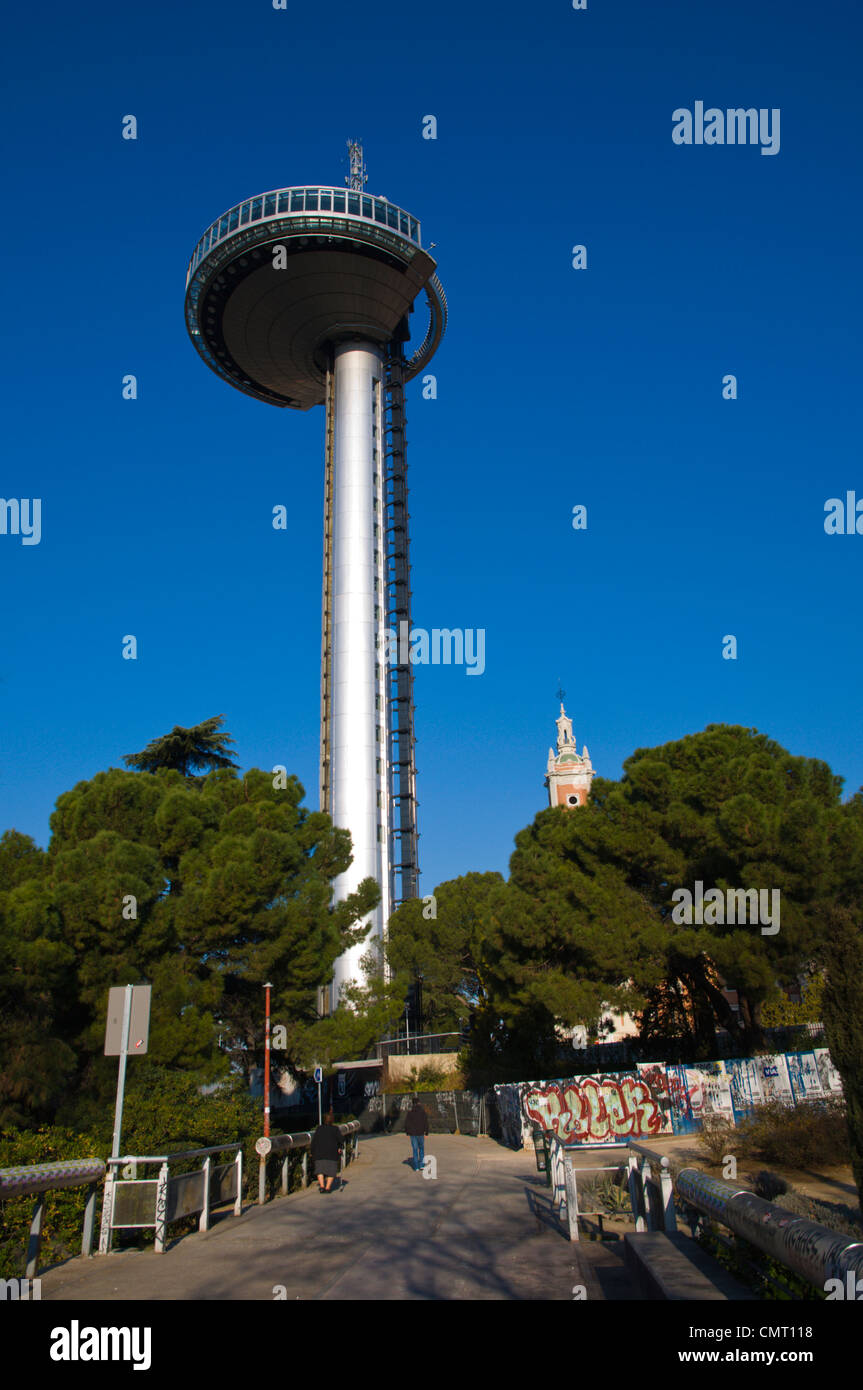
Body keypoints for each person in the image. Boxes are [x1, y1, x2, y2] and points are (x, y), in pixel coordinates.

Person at [310, 1111, 342, 1193]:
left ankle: (322, 1186)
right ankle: (328, 1188)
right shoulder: (335, 1129)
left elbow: (314, 1141)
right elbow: (340, 1140)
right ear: (332, 1120)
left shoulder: (319, 1128)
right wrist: (340, 1147)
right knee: (331, 1170)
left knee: (319, 1170)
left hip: (319, 1152)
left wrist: (312, 1151)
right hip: (332, 1152)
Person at [404, 1096, 429, 1172]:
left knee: (415, 1149)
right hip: (421, 1133)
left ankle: (416, 1167)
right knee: (421, 1148)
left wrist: (408, 1132)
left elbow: (407, 1123)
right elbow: (426, 1122)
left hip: (413, 1134)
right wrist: (426, 1132)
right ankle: (421, 1165)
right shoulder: (422, 1112)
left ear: (412, 1103)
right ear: (419, 1103)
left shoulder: (410, 1112)